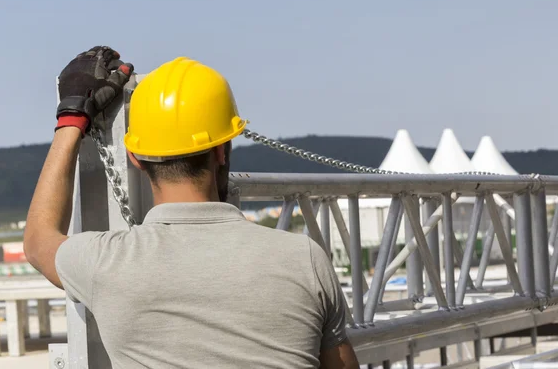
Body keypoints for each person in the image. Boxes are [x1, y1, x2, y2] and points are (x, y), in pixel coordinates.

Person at [24, 46, 360, 369]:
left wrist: (71, 119)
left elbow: (39, 242)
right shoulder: (304, 259)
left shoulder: (106, 262)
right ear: (221, 152)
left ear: (135, 157)